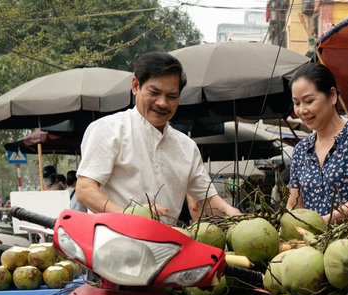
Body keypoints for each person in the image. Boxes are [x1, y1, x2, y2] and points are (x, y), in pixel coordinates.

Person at [75, 51, 240, 223]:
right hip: (113, 245)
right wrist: (128, 215)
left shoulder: (187, 147)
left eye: (171, 96)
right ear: (135, 86)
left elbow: (205, 200)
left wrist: (232, 213)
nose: (162, 103)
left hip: (167, 246)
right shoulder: (109, 129)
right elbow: (85, 189)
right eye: (154, 92)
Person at [286, 62, 348, 234]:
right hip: (316, 248)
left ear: (332, 96)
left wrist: (324, 221)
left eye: (309, 101)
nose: (302, 110)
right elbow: (295, 204)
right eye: (296, 103)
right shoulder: (301, 150)